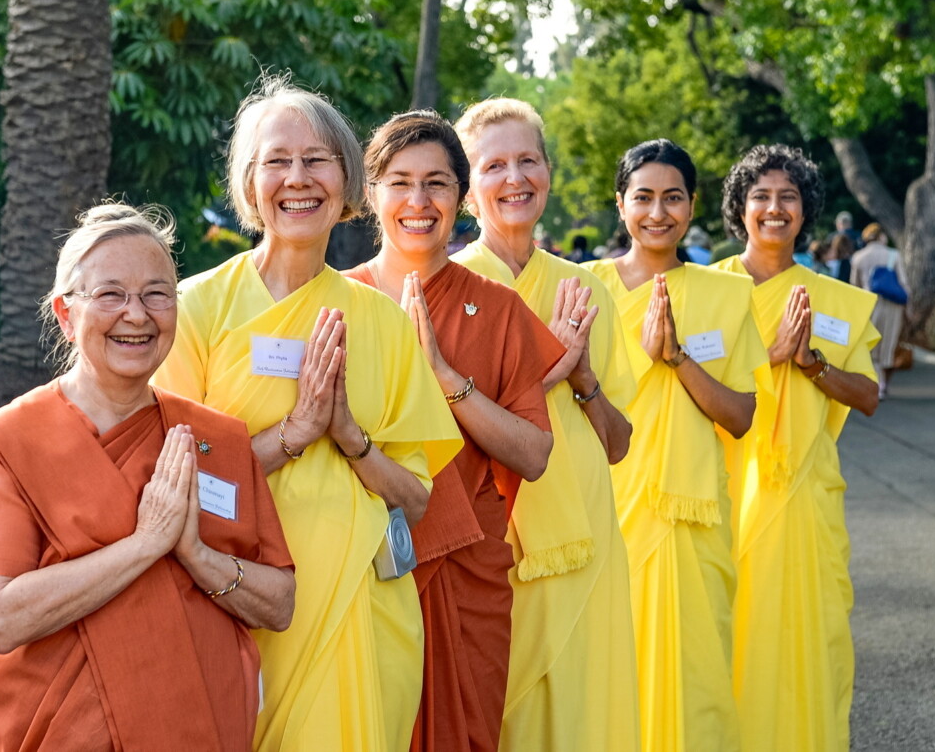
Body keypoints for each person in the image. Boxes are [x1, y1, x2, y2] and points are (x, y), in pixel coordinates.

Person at [153, 76, 463, 752]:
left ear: (348, 180)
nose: (298, 178)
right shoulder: (197, 308)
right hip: (245, 602)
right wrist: (292, 435)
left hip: (366, 608)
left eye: (317, 159)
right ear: (249, 182)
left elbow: (415, 499)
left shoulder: (382, 322)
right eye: (277, 160)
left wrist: (351, 437)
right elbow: (170, 483)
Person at [0, 204, 296, 750]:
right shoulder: (14, 440)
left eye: (157, 294)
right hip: (61, 731)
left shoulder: (218, 439)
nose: (137, 315)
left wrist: (198, 556)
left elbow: (279, 602)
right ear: (66, 314)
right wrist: (144, 546)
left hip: (200, 725)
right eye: (110, 294)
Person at [344, 110, 565, 752]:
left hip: (468, 565)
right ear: (372, 193)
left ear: (460, 197)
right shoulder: (337, 301)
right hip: (360, 559)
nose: (419, 201)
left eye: (437, 183)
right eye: (400, 182)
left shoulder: (496, 307)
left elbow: (534, 452)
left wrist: (444, 375)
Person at [452, 98, 642, 752]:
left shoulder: (585, 291)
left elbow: (617, 443)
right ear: (467, 189)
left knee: (587, 724)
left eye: (527, 160)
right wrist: (545, 368)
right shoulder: (442, 291)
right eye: (493, 165)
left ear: (549, 173)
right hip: (489, 550)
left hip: (586, 540)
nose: (514, 179)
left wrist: (584, 377)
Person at [585, 139, 763, 752]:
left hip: (691, 519)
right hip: (605, 507)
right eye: (643, 197)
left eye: (673, 198)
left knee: (696, 675)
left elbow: (740, 417)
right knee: (606, 669)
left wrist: (677, 359)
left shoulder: (726, 295)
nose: (657, 212)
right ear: (621, 204)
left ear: (692, 207)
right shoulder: (586, 288)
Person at [711, 144, 880, 752]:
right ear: (740, 208)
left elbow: (867, 394)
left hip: (805, 495)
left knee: (809, 640)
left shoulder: (832, 299)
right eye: (760, 196)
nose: (774, 209)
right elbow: (677, 385)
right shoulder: (707, 292)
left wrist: (813, 366)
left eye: (788, 197)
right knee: (726, 636)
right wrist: (770, 356)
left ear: (806, 210)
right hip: (723, 489)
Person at [850, 223, 908, 399]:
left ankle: (876, 383)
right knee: (888, 345)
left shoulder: (858, 257)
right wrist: (909, 307)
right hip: (892, 305)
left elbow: (854, 286)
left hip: (868, 304)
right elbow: (904, 283)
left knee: (870, 345)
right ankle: (883, 384)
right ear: (881, 236)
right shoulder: (893, 255)